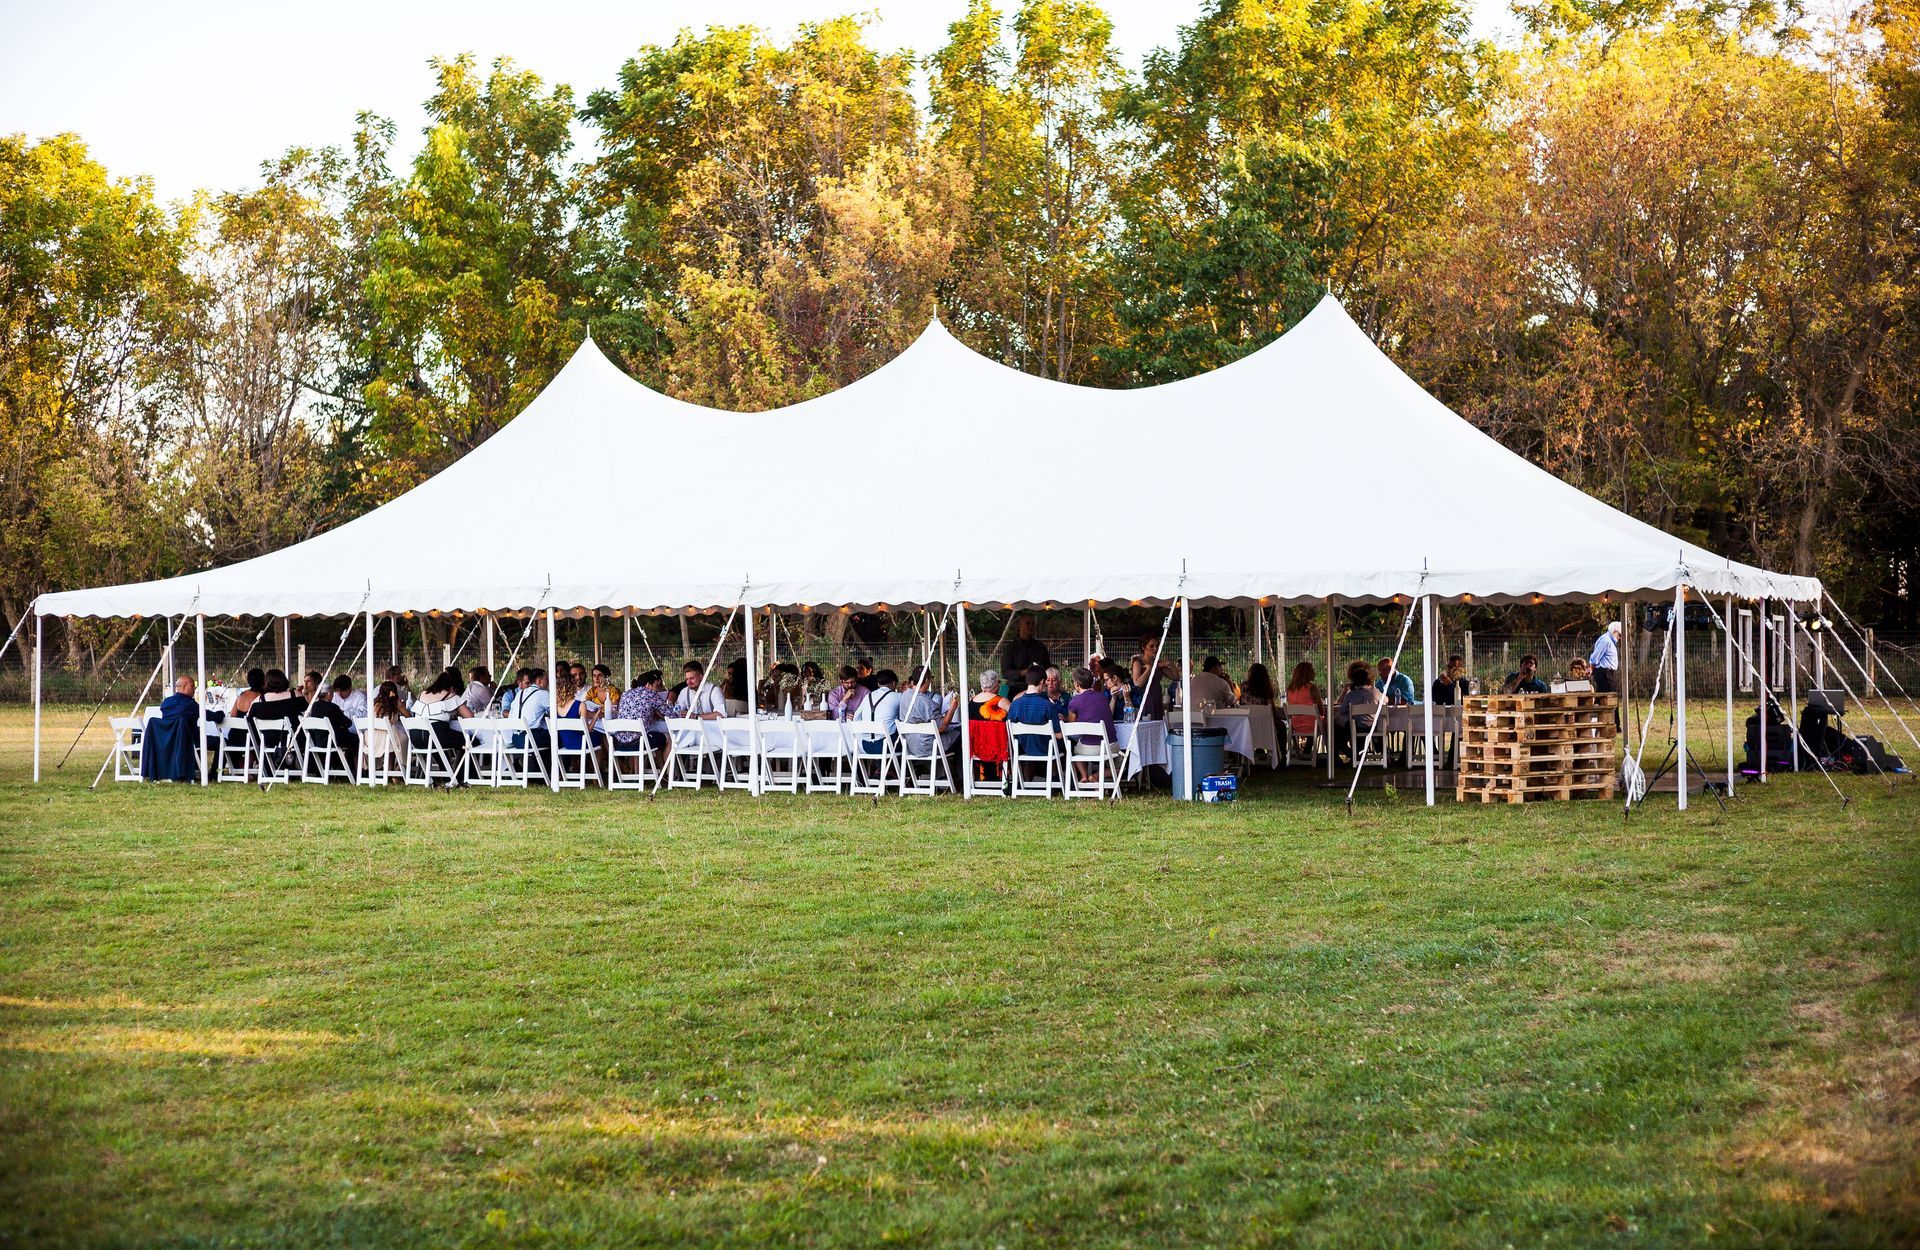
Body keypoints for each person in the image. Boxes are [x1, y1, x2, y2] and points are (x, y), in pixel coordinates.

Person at [141, 675, 218, 781]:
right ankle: (214, 773)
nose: (194, 689)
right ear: (185, 687)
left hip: (168, 740)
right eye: (192, 686)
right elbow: (208, 716)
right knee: (221, 742)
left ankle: (192, 769)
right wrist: (221, 715)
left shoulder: (166, 703)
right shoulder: (190, 704)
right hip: (189, 741)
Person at [413, 668, 471, 782]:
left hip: (416, 737)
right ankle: (461, 776)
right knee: (469, 741)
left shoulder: (422, 694)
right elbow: (469, 717)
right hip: (435, 736)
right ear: (452, 687)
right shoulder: (451, 696)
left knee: (440, 744)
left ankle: (447, 772)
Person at [247, 669, 308, 775]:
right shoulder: (295, 696)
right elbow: (308, 714)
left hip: (267, 741)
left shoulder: (259, 701)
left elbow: (249, 720)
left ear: (266, 682)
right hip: (293, 741)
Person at [1065, 666, 1117, 782]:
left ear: (1077, 684)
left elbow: (1071, 726)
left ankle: (1084, 775)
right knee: (1122, 766)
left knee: (1075, 750)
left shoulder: (1074, 702)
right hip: (1110, 746)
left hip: (1089, 749)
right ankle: (1096, 776)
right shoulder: (1102, 697)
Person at [899, 666, 958, 758]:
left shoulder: (904, 696)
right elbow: (942, 727)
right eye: (931, 678)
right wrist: (952, 708)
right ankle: (962, 771)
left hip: (910, 746)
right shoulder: (926, 702)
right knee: (962, 734)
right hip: (928, 746)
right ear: (927, 680)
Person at [1334, 661, 1384, 763]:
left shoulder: (1351, 695)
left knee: (1337, 731)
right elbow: (1386, 701)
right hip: (1374, 728)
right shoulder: (1376, 693)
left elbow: (1342, 710)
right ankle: (1361, 754)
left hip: (1356, 728)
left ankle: (1352, 755)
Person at [613, 669, 672, 754]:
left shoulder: (625, 694)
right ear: (648, 685)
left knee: (647, 734)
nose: (656, 690)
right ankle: (667, 767)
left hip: (619, 743)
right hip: (638, 743)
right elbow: (670, 714)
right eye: (656, 685)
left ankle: (637, 768)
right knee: (669, 738)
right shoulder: (650, 694)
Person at [850, 668, 901, 753]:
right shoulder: (898, 696)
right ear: (893, 683)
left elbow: (856, 718)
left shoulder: (868, 696)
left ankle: (880, 766)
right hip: (886, 746)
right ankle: (894, 766)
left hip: (866, 746)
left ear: (878, 684)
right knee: (905, 742)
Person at [363, 680, 407, 777]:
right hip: (386, 738)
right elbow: (408, 715)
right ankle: (397, 769)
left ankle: (391, 770)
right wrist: (401, 705)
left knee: (394, 739)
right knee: (405, 740)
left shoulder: (374, 702)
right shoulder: (395, 702)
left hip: (371, 738)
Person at [1129, 635, 1166, 720]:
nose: (1155, 649)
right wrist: (1149, 668)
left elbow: (1175, 677)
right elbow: (1137, 683)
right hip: (1145, 698)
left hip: (1157, 696)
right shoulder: (1138, 662)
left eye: (1157, 646)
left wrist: (1170, 664)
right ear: (1143, 647)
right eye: (1151, 646)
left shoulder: (1158, 662)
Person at [1003, 614, 1051, 679]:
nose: (1031, 626)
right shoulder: (1010, 647)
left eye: (1033, 624)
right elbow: (1006, 673)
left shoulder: (1040, 647)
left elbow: (1048, 667)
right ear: (1019, 626)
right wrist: (1026, 672)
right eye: (1027, 623)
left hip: (1037, 686)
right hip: (1016, 687)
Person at [1285, 662, 1325, 736]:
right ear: (1305, 673)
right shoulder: (1312, 688)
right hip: (1314, 726)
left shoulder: (1289, 690)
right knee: (1331, 723)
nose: (1314, 673)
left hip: (1296, 726)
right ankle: (1332, 746)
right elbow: (1322, 711)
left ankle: (1308, 746)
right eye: (1312, 671)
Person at [1589, 621, 1622, 695]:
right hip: (1604, 671)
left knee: (1604, 695)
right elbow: (1595, 656)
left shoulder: (1609, 641)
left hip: (1607, 672)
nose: (1619, 638)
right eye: (1619, 635)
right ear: (1614, 631)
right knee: (1610, 695)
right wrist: (1592, 668)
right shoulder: (1606, 640)